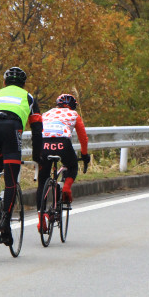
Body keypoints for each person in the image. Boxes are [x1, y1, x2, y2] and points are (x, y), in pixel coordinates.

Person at [0, 67, 43, 245]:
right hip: (11, 127)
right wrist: (37, 155)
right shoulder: (28, 97)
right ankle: (4, 221)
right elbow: (37, 130)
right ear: (23, 84)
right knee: (11, 180)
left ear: (4, 83)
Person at [36, 93, 91, 232]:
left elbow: (37, 130)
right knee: (72, 166)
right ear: (73, 105)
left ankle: (41, 220)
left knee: (42, 182)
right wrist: (84, 155)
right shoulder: (74, 115)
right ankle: (66, 187)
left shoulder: (46, 113)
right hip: (63, 144)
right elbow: (83, 138)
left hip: (44, 144)